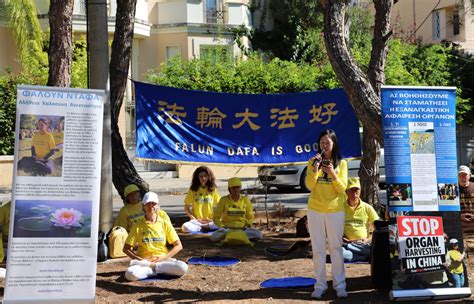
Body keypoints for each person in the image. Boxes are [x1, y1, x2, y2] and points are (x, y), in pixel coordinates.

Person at [306, 129, 348, 299]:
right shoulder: (312, 161)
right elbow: (309, 186)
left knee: (336, 249)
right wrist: (315, 170)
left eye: (327, 143)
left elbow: (342, 189)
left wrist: (331, 172)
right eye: (322, 142)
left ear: (334, 144)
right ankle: (320, 285)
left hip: (334, 211)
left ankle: (339, 285)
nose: (324, 146)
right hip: (315, 210)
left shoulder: (341, 164)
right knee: (318, 249)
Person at [123, 192, 188, 281]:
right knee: (130, 274)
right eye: (148, 204)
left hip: (163, 260)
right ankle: (155, 269)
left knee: (183, 267)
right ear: (143, 206)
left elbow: (178, 245)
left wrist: (164, 258)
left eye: (153, 204)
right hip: (145, 262)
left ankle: (154, 268)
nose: (151, 206)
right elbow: (126, 248)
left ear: (158, 206)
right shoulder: (138, 225)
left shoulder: (165, 223)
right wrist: (141, 259)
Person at [210, 177, 262, 243]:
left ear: (240, 188)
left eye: (237, 187)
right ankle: (238, 237)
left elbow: (250, 217)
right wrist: (222, 226)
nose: (236, 190)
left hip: (242, 229)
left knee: (259, 234)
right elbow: (216, 217)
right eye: (233, 188)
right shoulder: (223, 200)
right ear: (229, 189)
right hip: (227, 229)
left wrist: (247, 225)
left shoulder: (245, 200)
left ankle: (232, 237)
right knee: (213, 237)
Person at [342, 177, 379, 262]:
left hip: (363, 244)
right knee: (342, 255)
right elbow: (334, 229)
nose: (355, 194)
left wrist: (368, 239)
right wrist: (343, 238)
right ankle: (365, 257)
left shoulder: (367, 208)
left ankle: (358, 255)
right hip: (347, 243)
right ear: (346, 192)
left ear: (360, 191)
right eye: (351, 191)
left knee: (373, 250)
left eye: (357, 191)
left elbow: (378, 228)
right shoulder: (341, 208)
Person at [181, 166, 220, 233]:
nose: (203, 178)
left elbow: (220, 206)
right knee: (185, 227)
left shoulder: (213, 190)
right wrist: (193, 218)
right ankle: (203, 227)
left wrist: (213, 219)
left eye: (205, 176)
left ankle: (205, 227)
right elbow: (186, 208)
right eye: (201, 176)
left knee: (223, 224)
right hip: (197, 222)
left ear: (209, 177)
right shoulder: (193, 190)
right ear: (197, 178)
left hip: (210, 221)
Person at [459, 165, 474, 233]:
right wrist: (459, 216)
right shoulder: (452, 189)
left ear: (469, 175)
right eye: (460, 175)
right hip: (460, 228)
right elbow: (448, 210)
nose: (462, 177)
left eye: (465, 175)